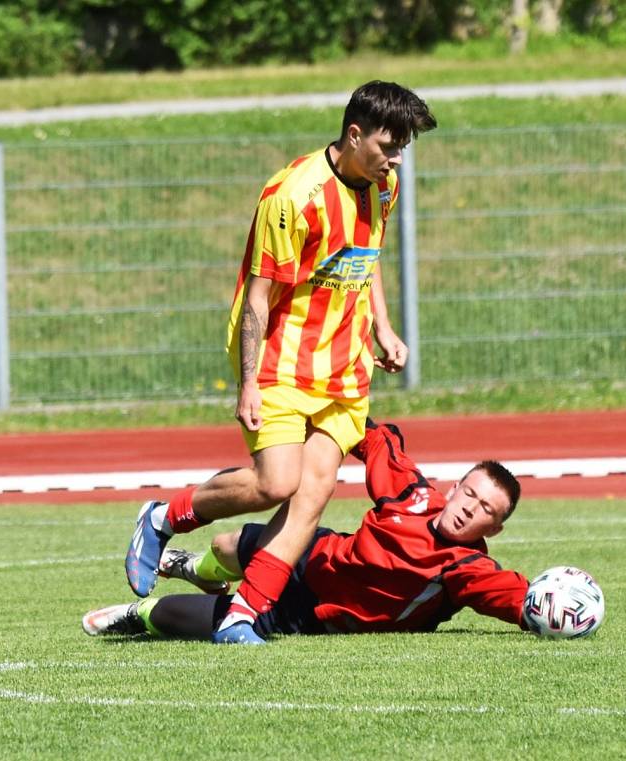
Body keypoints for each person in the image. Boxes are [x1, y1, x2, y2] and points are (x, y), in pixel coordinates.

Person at [125, 82, 438, 645]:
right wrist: (247, 383)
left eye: (402, 150)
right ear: (354, 134)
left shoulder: (382, 186)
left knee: (312, 495)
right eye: (389, 146)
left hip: (345, 367)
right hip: (280, 358)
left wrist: (383, 328)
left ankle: (242, 614)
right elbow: (258, 297)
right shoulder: (293, 195)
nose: (395, 160)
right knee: (276, 484)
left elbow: (366, 261)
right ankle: (164, 517)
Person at [91, 420, 530, 641]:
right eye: (470, 495)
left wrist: (555, 609)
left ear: (496, 527)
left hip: (315, 611)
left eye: (486, 510)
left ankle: (137, 615)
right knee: (226, 545)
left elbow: (521, 599)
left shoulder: (468, 568)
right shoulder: (413, 494)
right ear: (455, 488)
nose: (470, 510)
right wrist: (319, 416)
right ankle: (193, 566)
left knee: (191, 617)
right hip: (315, 554)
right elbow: (376, 438)